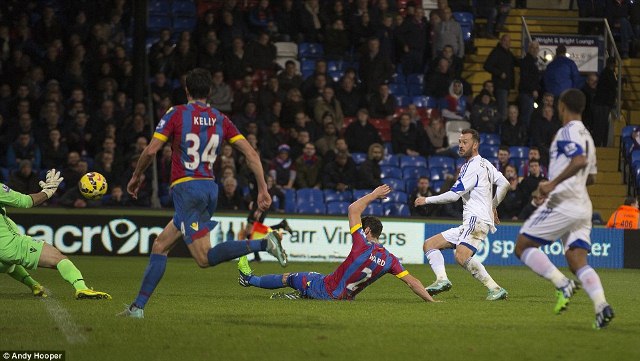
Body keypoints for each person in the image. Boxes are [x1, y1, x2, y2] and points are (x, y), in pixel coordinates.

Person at [119, 69, 288, 319]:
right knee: (161, 244)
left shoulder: (176, 113)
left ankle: (265, 243)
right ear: (210, 93)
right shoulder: (220, 118)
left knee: (204, 258)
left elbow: (152, 150)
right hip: (209, 187)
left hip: (187, 188)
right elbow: (251, 154)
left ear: (186, 90)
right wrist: (263, 188)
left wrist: (136, 176)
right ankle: (137, 308)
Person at [514, 89, 614, 329]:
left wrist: (551, 184)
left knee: (522, 246)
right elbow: (591, 177)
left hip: (564, 202)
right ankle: (602, 306)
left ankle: (562, 284)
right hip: (582, 205)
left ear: (562, 106)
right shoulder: (588, 136)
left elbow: (578, 160)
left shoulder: (566, 131)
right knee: (576, 258)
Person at [237, 184, 438, 302]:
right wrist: (432, 301)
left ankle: (249, 280)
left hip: (326, 290)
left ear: (366, 230)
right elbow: (413, 283)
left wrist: (374, 195)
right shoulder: (390, 260)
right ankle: (299, 296)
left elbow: (353, 209)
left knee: (290, 277)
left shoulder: (361, 244)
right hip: (343, 297)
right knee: (316, 277)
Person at [414, 129, 510, 300]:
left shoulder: (471, 166)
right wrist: (492, 206)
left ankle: (495, 288)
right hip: (473, 221)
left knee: (461, 256)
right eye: (459, 141)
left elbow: (453, 195)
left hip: (476, 219)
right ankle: (442, 280)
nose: (460, 145)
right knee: (429, 245)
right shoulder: (486, 164)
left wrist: (427, 200)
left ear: (475, 145)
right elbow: (504, 183)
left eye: (465, 142)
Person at [0, 169, 111, 300]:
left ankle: (34, 285)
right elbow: (25, 202)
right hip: (7, 243)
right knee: (58, 258)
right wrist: (47, 192)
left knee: (8, 263)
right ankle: (82, 288)